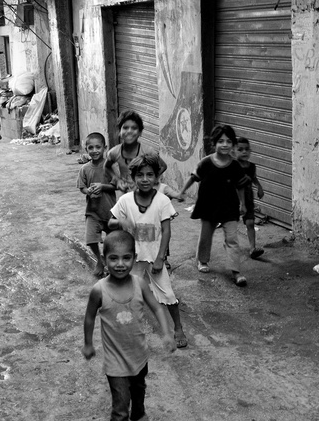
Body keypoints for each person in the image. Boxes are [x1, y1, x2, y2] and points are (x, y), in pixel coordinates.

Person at [82, 230, 175, 421]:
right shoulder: (99, 290)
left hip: (139, 356)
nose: (120, 264)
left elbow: (157, 308)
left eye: (126, 258)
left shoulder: (140, 284)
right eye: (113, 258)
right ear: (104, 259)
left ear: (134, 258)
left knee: (139, 390)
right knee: (120, 407)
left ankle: (139, 414)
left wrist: (167, 333)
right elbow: (89, 317)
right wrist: (88, 344)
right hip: (115, 363)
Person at [109, 154, 188, 348]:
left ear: (156, 177)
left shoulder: (162, 201)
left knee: (168, 295)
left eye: (150, 175)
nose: (145, 179)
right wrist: (121, 221)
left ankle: (177, 328)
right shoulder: (126, 201)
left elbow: (167, 231)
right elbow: (110, 222)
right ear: (133, 177)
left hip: (154, 258)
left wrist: (161, 258)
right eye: (140, 175)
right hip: (132, 259)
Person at [178, 125, 249, 287]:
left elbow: (241, 186)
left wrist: (243, 204)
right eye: (221, 141)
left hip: (229, 207)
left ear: (233, 145)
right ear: (214, 143)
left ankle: (236, 271)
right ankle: (202, 261)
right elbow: (193, 178)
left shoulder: (235, 166)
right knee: (206, 235)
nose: (225, 145)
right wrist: (182, 192)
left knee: (232, 239)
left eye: (229, 141)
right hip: (208, 206)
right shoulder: (206, 163)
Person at [77, 133, 117, 277]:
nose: (94, 150)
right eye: (90, 147)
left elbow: (116, 185)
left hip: (111, 210)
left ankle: (109, 260)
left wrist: (103, 186)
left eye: (98, 147)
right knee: (91, 239)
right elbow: (82, 187)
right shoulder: (84, 169)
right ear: (86, 149)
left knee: (113, 241)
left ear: (105, 148)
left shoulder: (110, 167)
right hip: (92, 211)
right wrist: (87, 190)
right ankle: (99, 260)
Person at [105, 110, 167, 195]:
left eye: (134, 128)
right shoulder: (114, 152)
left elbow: (163, 166)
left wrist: (151, 180)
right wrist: (117, 179)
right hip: (126, 194)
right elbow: (107, 167)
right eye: (125, 127)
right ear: (119, 131)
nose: (129, 131)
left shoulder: (147, 151)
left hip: (146, 194)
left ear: (140, 133)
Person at [236, 137, 266, 260]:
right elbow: (237, 186)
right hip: (234, 199)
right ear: (234, 151)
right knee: (231, 224)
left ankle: (252, 248)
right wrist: (240, 203)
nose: (244, 152)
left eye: (247, 149)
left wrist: (259, 187)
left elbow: (253, 178)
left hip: (248, 198)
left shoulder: (251, 166)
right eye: (240, 149)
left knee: (250, 222)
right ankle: (230, 245)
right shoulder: (234, 166)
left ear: (250, 151)